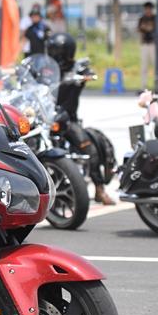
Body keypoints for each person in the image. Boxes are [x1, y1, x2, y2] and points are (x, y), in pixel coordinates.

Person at [48, 32, 115, 205]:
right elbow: (29, 78)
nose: (55, 55)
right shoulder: (46, 69)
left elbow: (89, 72)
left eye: (57, 51)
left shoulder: (76, 68)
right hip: (44, 117)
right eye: (52, 51)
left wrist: (85, 76)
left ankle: (99, 189)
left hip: (66, 120)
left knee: (89, 148)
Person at [137, 1, 156, 90]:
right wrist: (146, 28)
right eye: (146, 9)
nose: (148, 10)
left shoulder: (155, 18)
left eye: (149, 9)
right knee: (144, 66)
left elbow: (153, 28)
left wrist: (147, 27)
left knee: (155, 65)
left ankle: (157, 85)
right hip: (145, 43)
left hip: (153, 44)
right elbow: (140, 29)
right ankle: (143, 86)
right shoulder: (142, 18)